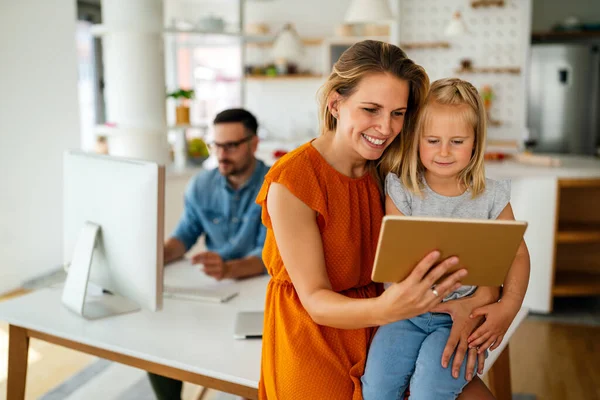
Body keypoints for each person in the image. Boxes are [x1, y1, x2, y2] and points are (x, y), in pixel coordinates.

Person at [256, 40, 500, 400]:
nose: (385, 128)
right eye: (371, 109)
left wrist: (497, 307)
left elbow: (493, 243)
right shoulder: (293, 181)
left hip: (395, 329)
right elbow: (316, 301)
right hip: (316, 340)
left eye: (398, 113)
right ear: (336, 103)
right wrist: (390, 308)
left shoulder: (394, 172)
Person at [361, 78, 531, 399]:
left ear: (475, 142)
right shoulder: (401, 189)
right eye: (433, 140)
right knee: (378, 387)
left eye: (457, 141)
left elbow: (517, 256)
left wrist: (507, 306)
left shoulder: (492, 196)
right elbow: (399, 259)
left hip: (463, 315)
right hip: (405, 315)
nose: (443, 152)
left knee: (430, 387)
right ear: (417, 140)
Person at [149, 108, 269, 400]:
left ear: (253, 144)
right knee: (159, 338)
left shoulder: (276, 184)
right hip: (218, 288)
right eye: (215, 145)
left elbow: (269, 255)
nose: (221, 154)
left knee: (254, 366)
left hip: (261, 289)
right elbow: (185, 235)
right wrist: (154, 256)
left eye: (230, 146)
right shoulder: (201, 185)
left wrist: (229, 269)